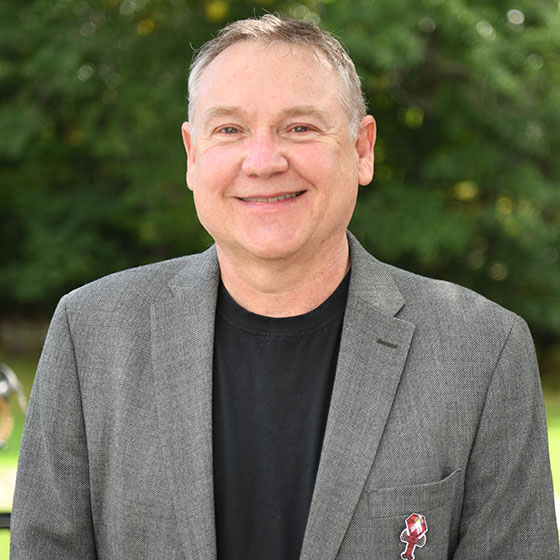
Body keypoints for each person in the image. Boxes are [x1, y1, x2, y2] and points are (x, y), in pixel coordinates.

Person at [10, 14, 558, 560]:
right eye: (229, 130)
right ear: (192, 155)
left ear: (362, 149)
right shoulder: (91, 333)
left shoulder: (482, 352)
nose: (265, 161)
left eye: (300, 127)